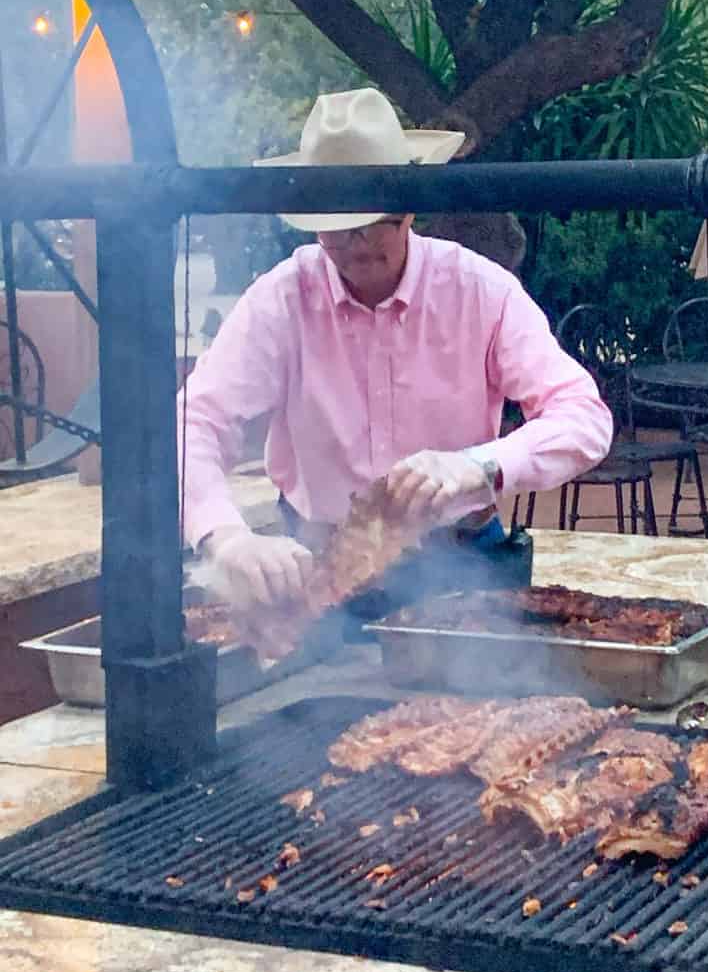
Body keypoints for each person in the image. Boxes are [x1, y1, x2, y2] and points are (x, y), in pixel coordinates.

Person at [179, 88, 612, 611]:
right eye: (335, 231)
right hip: (322, 573)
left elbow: (583, 417)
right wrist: (224, 536)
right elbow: (195, 422)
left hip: (463, 564)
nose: (352, 245)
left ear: (407, 210)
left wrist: (479, 466)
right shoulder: (281, 298)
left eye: (367, 225)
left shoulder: (481, 290)